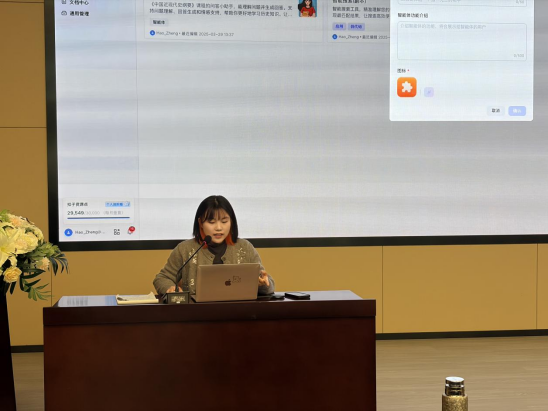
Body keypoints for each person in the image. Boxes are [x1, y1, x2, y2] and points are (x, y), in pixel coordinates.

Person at [153, 195, 275, 296]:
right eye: (211, 222)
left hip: (238, 312)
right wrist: (169, 288)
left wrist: (263, 284)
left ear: (231, 221)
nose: (219, 228)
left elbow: (268, 285)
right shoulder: (185, 249)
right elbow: (162, 278)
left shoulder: (245, 248)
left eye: (224, 221)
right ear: (200, 223)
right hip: (196, 313)